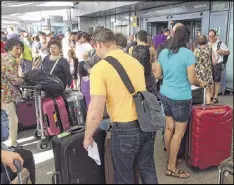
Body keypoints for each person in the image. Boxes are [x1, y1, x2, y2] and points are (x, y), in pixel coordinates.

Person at [83, 28, 158, 184]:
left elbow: (96, 110)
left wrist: (88, 135)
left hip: (124, 129)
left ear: (98, 44)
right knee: (147, 169)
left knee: (124, 176)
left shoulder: (100, 69)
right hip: (146, 124)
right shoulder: (135, 62)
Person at [155, 26, 206, 178]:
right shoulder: (188, 54)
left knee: (169, 128)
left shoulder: (163, 52)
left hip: (165, 94)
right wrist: (201, 83)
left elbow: (158, 74)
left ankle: (170, 159)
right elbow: (191, 79)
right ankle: (171, 167)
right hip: (181, 97)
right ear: (187, 39)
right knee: (178, 133)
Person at [1, 39, 25, 147]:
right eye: (17, 48)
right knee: (12, 120)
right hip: (7, 94)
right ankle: (12, 144)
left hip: (3, 92)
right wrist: (23, 79)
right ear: (10, 48)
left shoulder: (3, 56)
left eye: (21, 49)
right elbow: (14, 80)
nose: (19, 51)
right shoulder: (11, 60)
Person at [129, 30, 158, 97]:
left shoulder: (131, 49)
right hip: (147, 76)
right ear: (146, 38)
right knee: (150, 96)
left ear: (138, 38)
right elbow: (154, 64)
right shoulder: (151, 49)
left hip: (135, 77)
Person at [208, 29, 230, 104]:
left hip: (218, 64)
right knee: (211, 80)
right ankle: (211, 94)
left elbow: (228, 52)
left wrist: (222, 51)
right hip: (209, 65)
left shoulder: (220, 43)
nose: (211, 37)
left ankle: (216, 96)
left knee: (216, 81)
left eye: (212, 36)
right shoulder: (208, 44)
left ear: (215, 36)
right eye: (210, 36)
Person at [194, 35, 216, 104]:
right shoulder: (209, 49)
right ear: (206, 41)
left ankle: (198, 106)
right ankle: (208, 105)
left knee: (197, 90)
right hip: (207, 73)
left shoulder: (196, 50)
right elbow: (214, 61)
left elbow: (192, 62)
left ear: (198, 41)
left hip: (198, 73)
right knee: (207, 91)